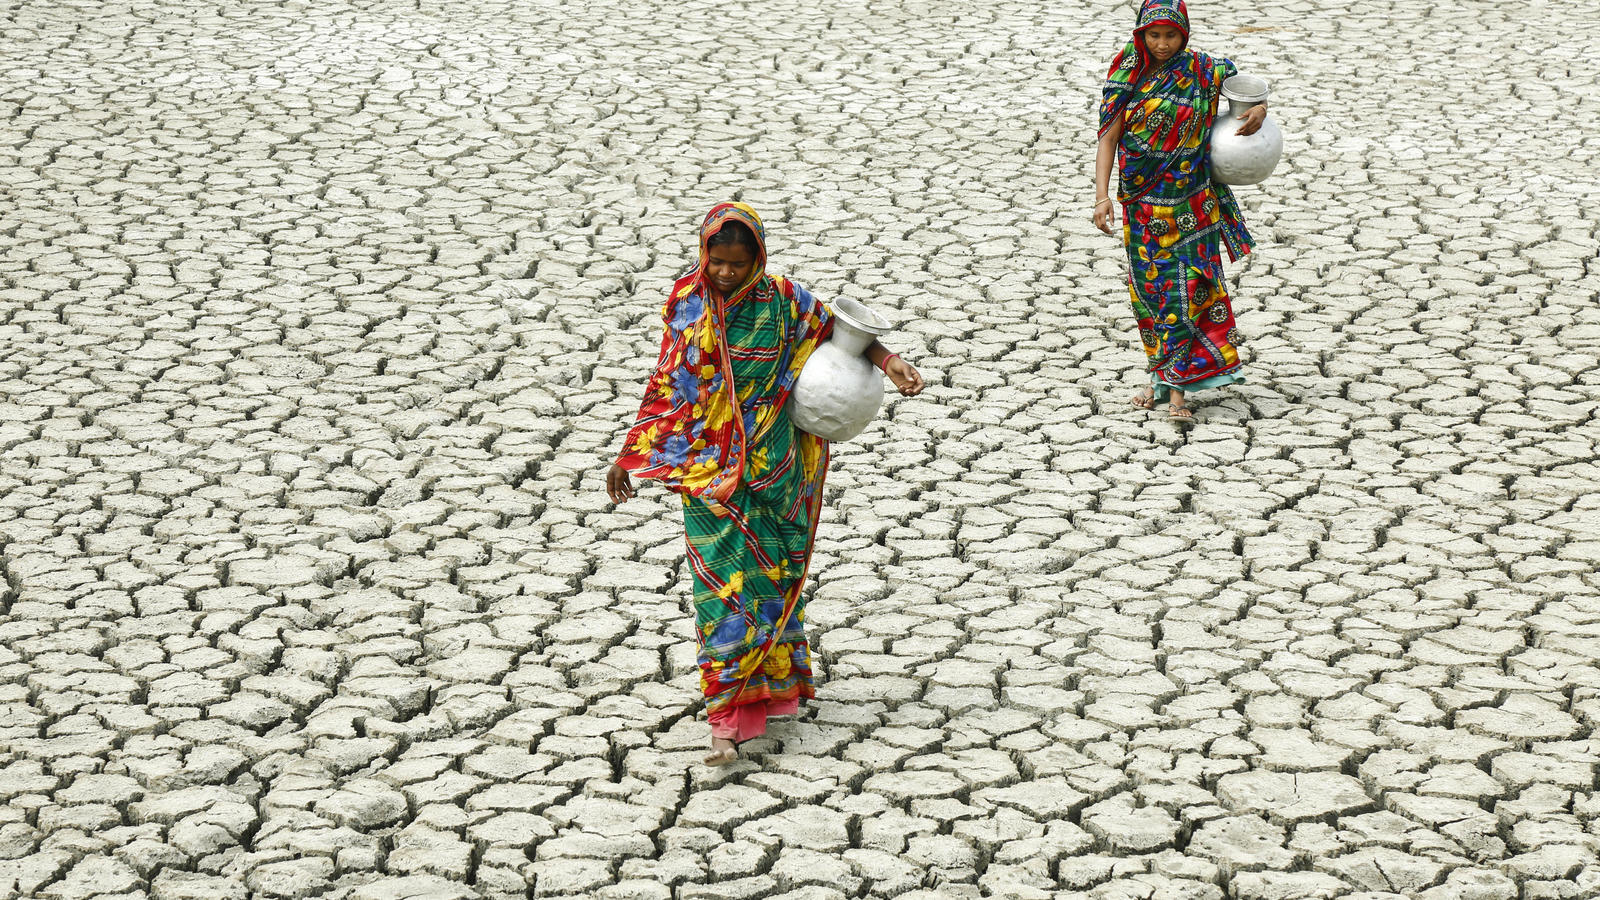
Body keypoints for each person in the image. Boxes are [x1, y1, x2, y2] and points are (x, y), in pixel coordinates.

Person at [605, 203, 924, 766]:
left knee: (772, 578)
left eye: (738, 262)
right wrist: (630, 452)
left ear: (758, 256)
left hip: (778, 466)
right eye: (717, 261)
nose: (726, 273)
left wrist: (890, 360)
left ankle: (771, 692)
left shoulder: (783, 299)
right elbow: (667, 382)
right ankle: (725, 720)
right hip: (706, 468)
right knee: (721, 588)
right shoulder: (687, 301)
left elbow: (837, 332)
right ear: (704, 253)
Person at [1093, 0, 1266, 420]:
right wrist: (1102, 197)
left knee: (1192, 291)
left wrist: (1260, 112)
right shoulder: (1125, 75)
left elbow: (1249, 96)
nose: (1163, 44)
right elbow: (1108, 138)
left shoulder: (1205, 70)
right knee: (1152, 295)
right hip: (1143, 204)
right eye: (1154, 35)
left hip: (1193, 202)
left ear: (1184, 33)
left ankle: (1177, 395)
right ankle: (1160, 377)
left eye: (1171, 35)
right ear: (1141, 34)